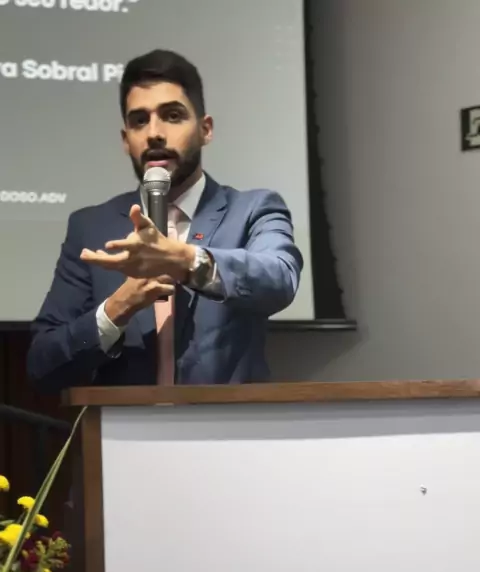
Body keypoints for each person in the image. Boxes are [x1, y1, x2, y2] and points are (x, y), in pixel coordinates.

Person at [27, 49, 303, 391]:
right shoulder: (91, 227)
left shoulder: (252, 209)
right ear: (126, 140)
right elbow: (43, 364)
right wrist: (116, 309)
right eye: (139, 121)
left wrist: (184, 260)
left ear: (205, 129)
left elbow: (279, 280)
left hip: (225, 423)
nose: (154, 133)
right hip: (127, 426)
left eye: (172, 116)